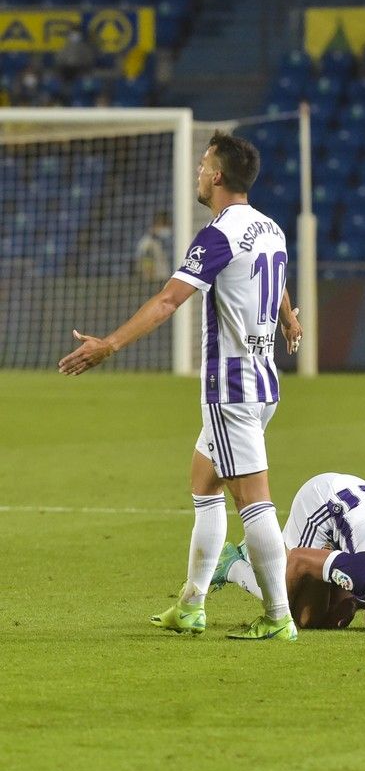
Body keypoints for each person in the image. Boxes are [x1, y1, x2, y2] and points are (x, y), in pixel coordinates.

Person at [58, 131, 304, 641]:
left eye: (202, 164)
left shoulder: (219, 234)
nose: (197, 172)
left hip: (230, 389)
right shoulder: (271, 228)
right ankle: (191, 603)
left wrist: (111, 345)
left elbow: (169, 301)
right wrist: (287, 319)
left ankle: (280, 616)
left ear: (217, 176)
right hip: (264, 381)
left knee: (254, 501)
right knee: (203, 481)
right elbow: (276, 281)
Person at [210, 472, 365, 633]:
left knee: (336, 618)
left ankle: (326, 560)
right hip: (326, 504)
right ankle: (236, 564)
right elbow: (299, 559)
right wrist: (280, 609)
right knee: (300, 616)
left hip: (364, 512)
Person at [135, 210, 172, 282]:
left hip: (165, 280)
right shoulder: (148, 243)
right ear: (157, 225)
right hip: (156, 282)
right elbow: (147, 268)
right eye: (164, 225)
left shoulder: (159, 241)